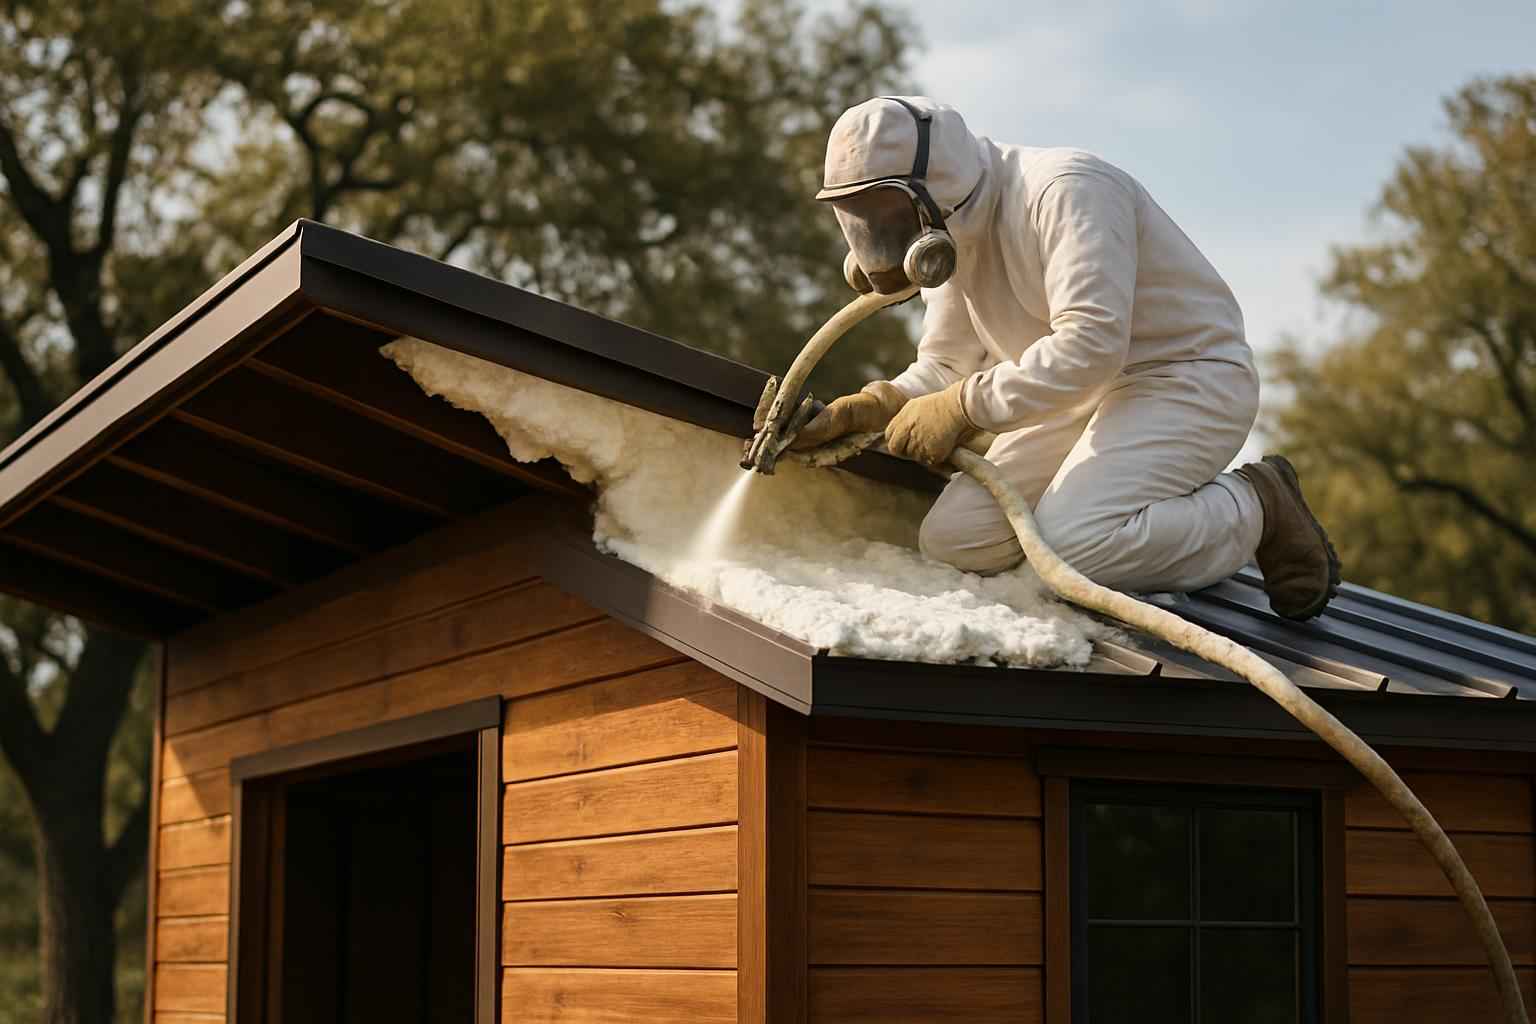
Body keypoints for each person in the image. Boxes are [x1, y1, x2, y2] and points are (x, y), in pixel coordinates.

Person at [794, 95, 1339, 619]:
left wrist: (960, 408)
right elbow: (947, 368)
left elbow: (1091, 344)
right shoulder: (943, 232)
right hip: (1069, 394)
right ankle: (1145, 525)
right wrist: (880, 403)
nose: (878, 232)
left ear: (933, 182)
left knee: (1075, 546)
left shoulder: (1066, 189)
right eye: (859, 215)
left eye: (881, 210)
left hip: (1182, 378)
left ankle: (1257, 506)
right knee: (955, 541)